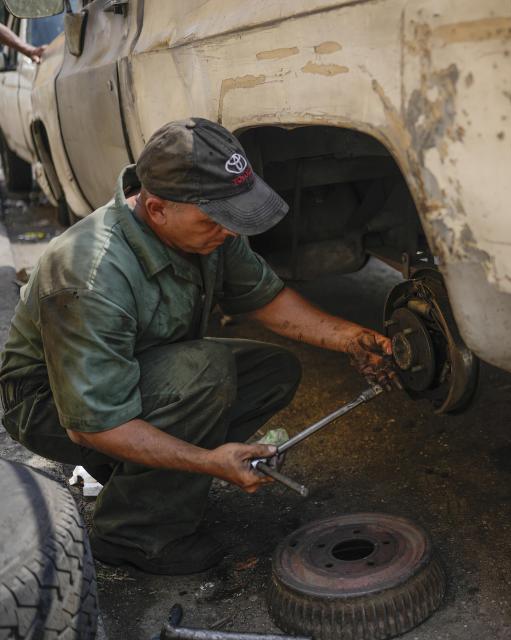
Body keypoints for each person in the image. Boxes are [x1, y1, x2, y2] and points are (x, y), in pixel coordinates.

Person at [0, 118, 399, 575]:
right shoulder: (89, 275)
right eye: (216, 220)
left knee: (273, 370)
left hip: (122, 376)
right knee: (204, 371)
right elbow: (91, 426)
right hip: (51, 405)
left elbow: (266, 298)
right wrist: (208, 462)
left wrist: (352, 338)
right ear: (155, 209)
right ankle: (132, 534)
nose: (229, 232)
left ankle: (142, 479)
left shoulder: (207, 232)